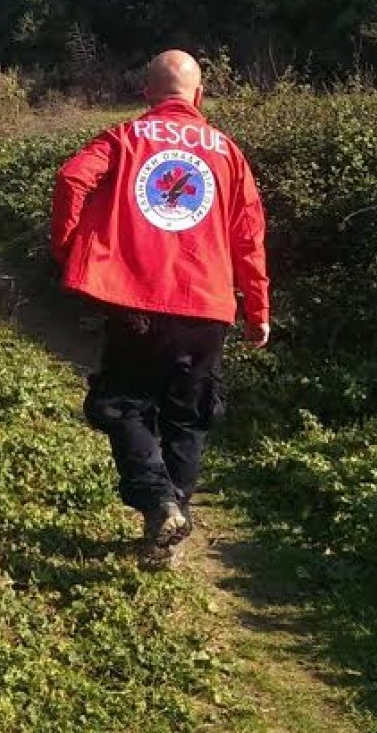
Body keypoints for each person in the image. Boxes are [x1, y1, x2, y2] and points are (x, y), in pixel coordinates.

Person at [50, 49, 269, 565]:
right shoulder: (228, 152)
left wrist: (70, 248)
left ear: (148, 92)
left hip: (136, 303)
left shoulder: (123, 138)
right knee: (187, 419)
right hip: (206, 308)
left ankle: (156, 500)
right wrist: (258, 308)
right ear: (199, 94)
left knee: (123, 403)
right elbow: (250, 237)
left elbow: (71, 179)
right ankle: (170, 525)